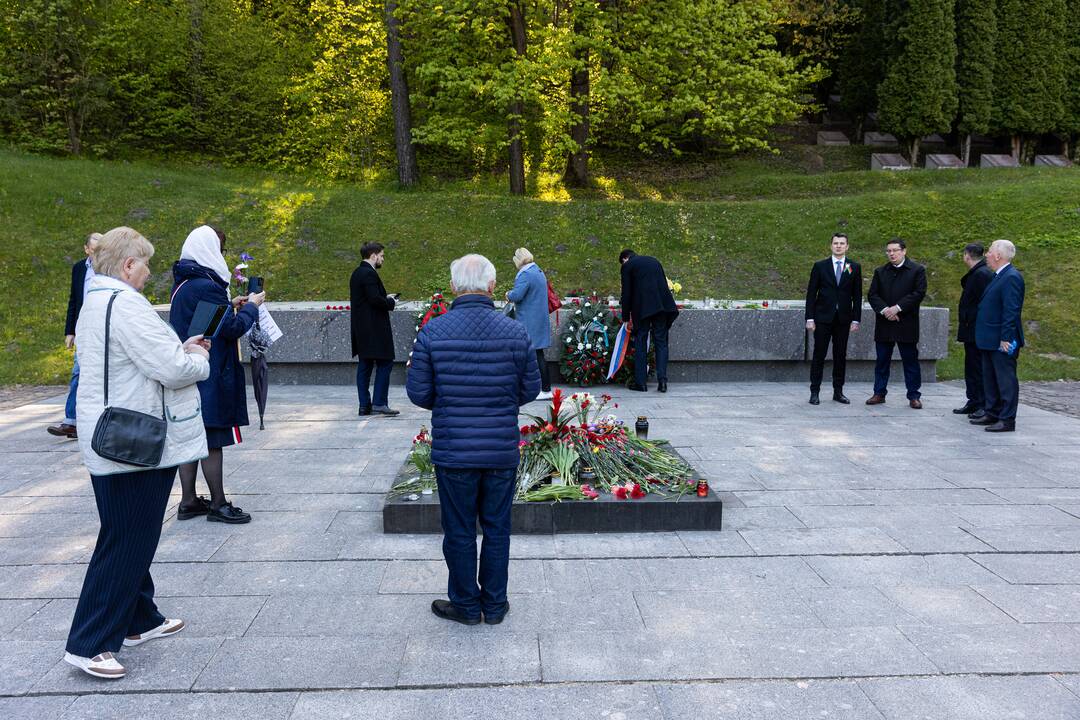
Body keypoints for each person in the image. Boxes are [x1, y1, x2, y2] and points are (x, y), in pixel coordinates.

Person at [64, 226, 211, 679]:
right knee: (128, 538)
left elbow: (140, 359)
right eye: (145, 263)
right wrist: (197, 358)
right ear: (128, 265)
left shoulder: (98, 299)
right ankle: (89, 643)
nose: (149, 272)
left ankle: (139, 620)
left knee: (128, 531)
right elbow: (171, 368)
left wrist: (176, 349)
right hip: (134, 441)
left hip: (113, 434)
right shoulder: (126, 305)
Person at [406, 254, 540, 626]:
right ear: (493, 287)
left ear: (453, 288)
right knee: (498, 529)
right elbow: (531, 388)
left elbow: (418, 393)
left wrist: (451, 402)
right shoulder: (515, 331)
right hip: (499, 450)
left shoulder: (434, 331)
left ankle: (466, 605)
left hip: (455, 451)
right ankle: (494, 606)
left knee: (460, 530)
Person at [168, 225, 263, 524]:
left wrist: (229, 306)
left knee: (192, 437)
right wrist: (253, 308)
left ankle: (188, 501)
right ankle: (219, 504)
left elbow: (204, 322)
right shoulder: (207, 286)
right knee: (212, 438)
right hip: (210, 373)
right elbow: (231, 330)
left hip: (191, 370)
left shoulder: (186, 283)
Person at [48, 233, 102, 439]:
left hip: (105, 327)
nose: (99, 254)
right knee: (78, 373)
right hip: (84, 328)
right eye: (95, 250)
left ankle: (92, 421)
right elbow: (73, 300)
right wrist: (70, 331)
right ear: (87, 249)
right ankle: (71, 422)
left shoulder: (111, 267)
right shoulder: (79, 268)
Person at [866, 239, 928, 408]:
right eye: (888, 251)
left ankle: (914, 395)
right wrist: (886, 310)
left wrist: (898, 308)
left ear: (904, 251)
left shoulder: (917, 270)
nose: (891, 254)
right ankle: (879, 393)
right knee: (882, 361)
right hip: (885, 323)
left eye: (895, 250)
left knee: (910, 362)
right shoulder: (880, 271)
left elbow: (918, 293)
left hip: (906, 323)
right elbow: (872, 295)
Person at [972, 239, 1025, 432]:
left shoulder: (1011, 277)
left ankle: (1007, 419)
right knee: (990, 378)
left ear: (998, 255)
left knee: (1005, 380)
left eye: (989, 251)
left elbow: (1011, 311)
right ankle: (992, 412)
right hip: (989, 339)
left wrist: (1006, 338)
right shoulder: (998, 276)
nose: (986, 254)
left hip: (1001, 340)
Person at [805, 233, 862, 405]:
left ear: (847, 246)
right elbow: (810, 294)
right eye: (835, 243)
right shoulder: (820, 266)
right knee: (819, 355)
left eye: (842, 243)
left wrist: (856, 319)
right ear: (831, 246)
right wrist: (810, 318)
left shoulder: (854, 266)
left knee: (840, 356)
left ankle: (838, 391)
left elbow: (857, 295)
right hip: (822, 318)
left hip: (843, 319)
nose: (838, 246)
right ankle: (814, 391)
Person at [618, 249, 679, 392]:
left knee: (641, 341)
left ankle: (641, 383)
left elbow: (626, 293)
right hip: (661, 307)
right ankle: (662, 382)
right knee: (661, 343)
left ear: (625, 259)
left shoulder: (627, 266)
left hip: (642, 309)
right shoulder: (653, 260)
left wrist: (626, 317)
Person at [350, 242, 399, 416]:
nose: (382, 259)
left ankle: (364, 405)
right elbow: (374, 301)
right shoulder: (369, 274)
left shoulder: (357, 273)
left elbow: (368, 299)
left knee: (365, 365)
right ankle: (379, 403)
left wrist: (384, 297)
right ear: (373, 255)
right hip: (374, 329)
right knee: (385, 363)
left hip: (361, 329)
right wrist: (391, 302)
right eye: (382, 255)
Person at [506, 247, 553, 401]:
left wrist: (508, 294)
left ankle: (545, 389)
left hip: (528, 319)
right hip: (538, 318)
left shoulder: (525, 274)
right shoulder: (538, 271)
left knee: (535, 355)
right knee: (537, 354)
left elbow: (517, 295)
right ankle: (543, 388)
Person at [954, 243, 995, 418]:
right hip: (971, 329)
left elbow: (985, 303)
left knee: (978, 368)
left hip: (976, 329)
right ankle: (973, 401)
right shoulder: (978, 273)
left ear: (966, 255)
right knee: (971, 367)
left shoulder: (981, 274)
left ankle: (982, 403)